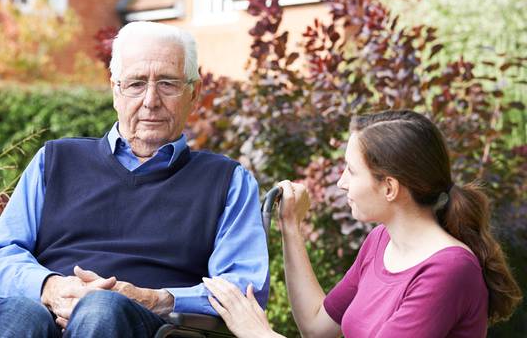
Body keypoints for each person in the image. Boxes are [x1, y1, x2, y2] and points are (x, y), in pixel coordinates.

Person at [0, 21, 269, 338]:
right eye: (137, 83)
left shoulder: (226, 181)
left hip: (154, 329)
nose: (151, 100)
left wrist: (158, 299)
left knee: (101, 309)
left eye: (167, 84)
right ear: (115, 90)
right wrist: (52, 287)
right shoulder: (54, 161)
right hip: (45, 317)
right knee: (20, 311)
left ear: (193, 94)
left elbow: (242, 290)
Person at [204, 110, 522, 337]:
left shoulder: (448, 270)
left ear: (389, 188)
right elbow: (316, 326)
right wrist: (290, 227)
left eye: (351, 171)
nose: (341, 183)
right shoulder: (381, 242)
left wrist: (257, 333)